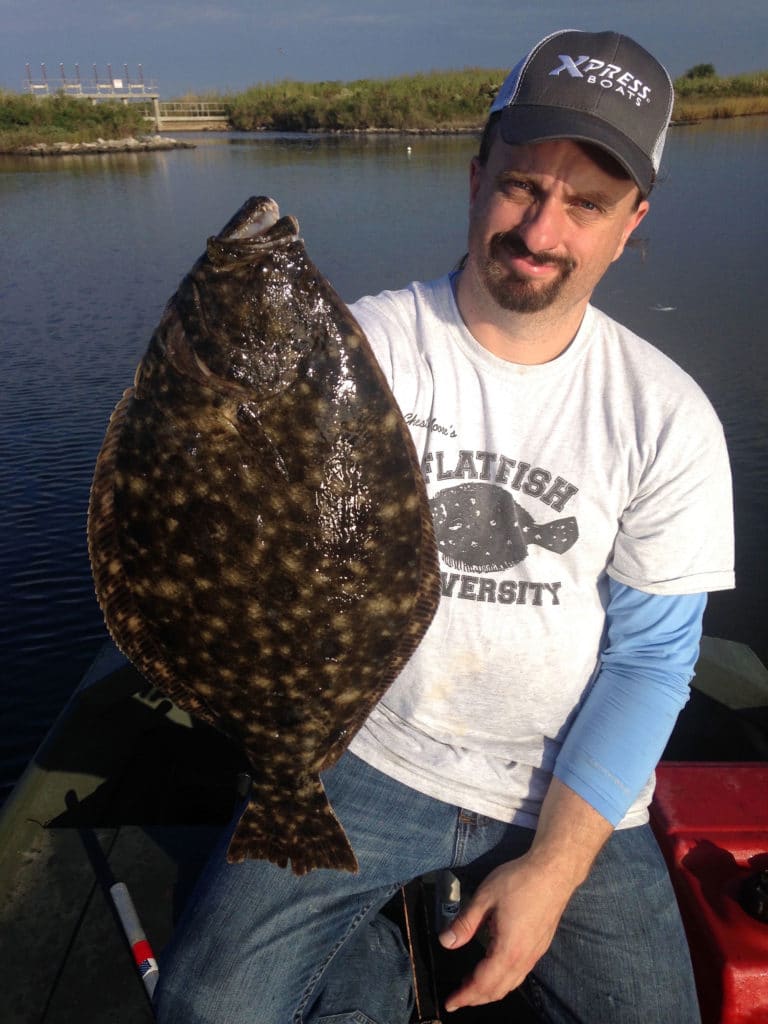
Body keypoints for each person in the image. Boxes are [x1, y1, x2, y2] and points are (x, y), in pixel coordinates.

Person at [153, 29, 734, 1024]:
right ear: (474, 180)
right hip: (362, 751)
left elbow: (649, 664)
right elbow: (217, 503)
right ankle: (377, 969)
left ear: (631, 223)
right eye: (521, 185)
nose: (542, 227)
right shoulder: (357, 348)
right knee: (206, 1009)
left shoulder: (665, 415)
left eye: (585, 203)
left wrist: (554, 869)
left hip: (562, 785)